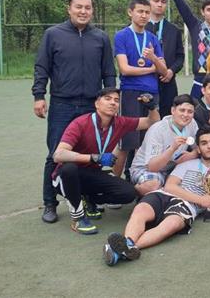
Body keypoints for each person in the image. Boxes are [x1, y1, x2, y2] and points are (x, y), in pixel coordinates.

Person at [32, 0, 116, 224]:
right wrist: (39, 95)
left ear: (92, 11)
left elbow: (109, 72)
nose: (83, 11)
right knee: (55, 154)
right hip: (62, 104)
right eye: (78, 7)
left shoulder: (100, 37)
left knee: (90, 155)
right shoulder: (53, 34)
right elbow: (42, 67)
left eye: (87, 8)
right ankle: (50, 203)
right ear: (69, 9)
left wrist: (110, 99)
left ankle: (89, 200)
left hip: (91, 105)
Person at [102, 127, 210, 266]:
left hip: (187, 206)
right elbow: (170, 186)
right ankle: (127, 247)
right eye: (204, 143)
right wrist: (201, 200)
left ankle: (123, 249)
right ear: (198, 149)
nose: (209, 146)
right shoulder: (187, 164)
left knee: (172, 224)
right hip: (164, 195)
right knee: (140, 210)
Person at [52, 87, 160, 235]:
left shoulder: (120, 122)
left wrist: (152, 107)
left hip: (92, 174)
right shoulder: (80, 123)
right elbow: (58, 154)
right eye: (108, 99)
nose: (113, 103)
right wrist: (94, 157)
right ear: (97, 104)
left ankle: (89, 199)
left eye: (116, 100)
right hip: (66, 177)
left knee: (128, 193)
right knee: (69, 169)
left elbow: (152, 121)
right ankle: (78, 218)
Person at [114, 0, 168, 178]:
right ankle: (114, 183)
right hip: (130, 93)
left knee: (148, 142)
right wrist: (151, 69)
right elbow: (125, 69)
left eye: (147, 12)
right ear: (130, 12)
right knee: (126, 143)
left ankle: (140, 181)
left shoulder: (152, 38)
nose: (144, 15)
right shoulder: (122, 36)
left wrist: (153, 58)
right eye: (140, 11)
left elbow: (164, 70)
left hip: (152, 94)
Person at [129, 94, 200, 196]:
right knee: (152, 185)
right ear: (173, 110)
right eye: (182, 110)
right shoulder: (158, 129)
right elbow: (152, 167)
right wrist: (172, 149)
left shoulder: (192, 123)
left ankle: (163, 191)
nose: (186, 115)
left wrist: (193, 154)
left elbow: (199, 147)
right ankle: (135, 191)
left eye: (190, 112)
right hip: (146, 168)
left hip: (172, 168)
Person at [145, 0, 186, 117]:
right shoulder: (139, 28)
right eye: (156, 1)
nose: (159, 4)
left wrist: (171, 71)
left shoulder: (174, 30)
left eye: (163, 2)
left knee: (168, 119)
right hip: (145, 81)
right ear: (149, 2)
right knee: (145, 119)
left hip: (167, 83)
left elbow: (180, 57)